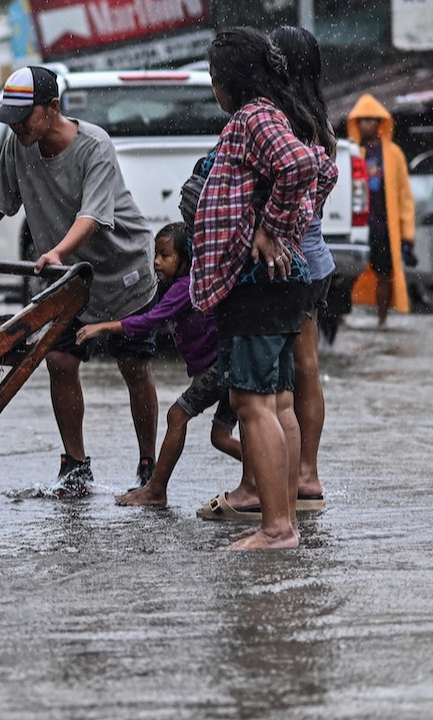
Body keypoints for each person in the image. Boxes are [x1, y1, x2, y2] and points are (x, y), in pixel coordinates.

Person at [0, 65, 160, 496]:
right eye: (11, 120)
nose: (17, 127)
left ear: (53, 107)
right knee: (59, 361)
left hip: (121, 269)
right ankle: (75, 464)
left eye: (24, 117)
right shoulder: (18, 145)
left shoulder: (94, 146)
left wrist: (58, 251)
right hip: (70, 277)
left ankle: (149, 464)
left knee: (133, 365)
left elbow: (92, 216)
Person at [190, 27, 337, 550]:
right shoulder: (283, 112)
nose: (213, 86)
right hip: (278, 280)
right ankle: (283, 519)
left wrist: (272, 227)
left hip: (257, 281)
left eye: (214, 76)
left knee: (253, 403)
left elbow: (302, 166)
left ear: (230, 79)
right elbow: (322, 169)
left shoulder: (254, 116)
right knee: (275, 401)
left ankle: (276, 528)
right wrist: (286, 221)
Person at [76, 223, 239, 506]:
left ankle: (156, 490)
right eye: (156, 254)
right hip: (230, 363)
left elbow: (149, 321)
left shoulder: (185, 286)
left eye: (165, 255)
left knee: (177, 415)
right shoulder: (183, 284)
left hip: (222, 366)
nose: (156, 262)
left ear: (185, 258)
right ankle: (273, 473)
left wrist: (101, 327)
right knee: (220, 436)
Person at [348, 93, 416, 329]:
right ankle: (342, 315)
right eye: (362, 120)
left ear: (379, 122)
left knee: (384, 274)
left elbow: (404, 195)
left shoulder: (393, 154)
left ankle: (382, 319)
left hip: (383, 225)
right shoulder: (351, 152)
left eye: (370, 119)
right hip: (357, 224)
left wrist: (407, 232)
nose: (366, 124)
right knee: (347, 273)